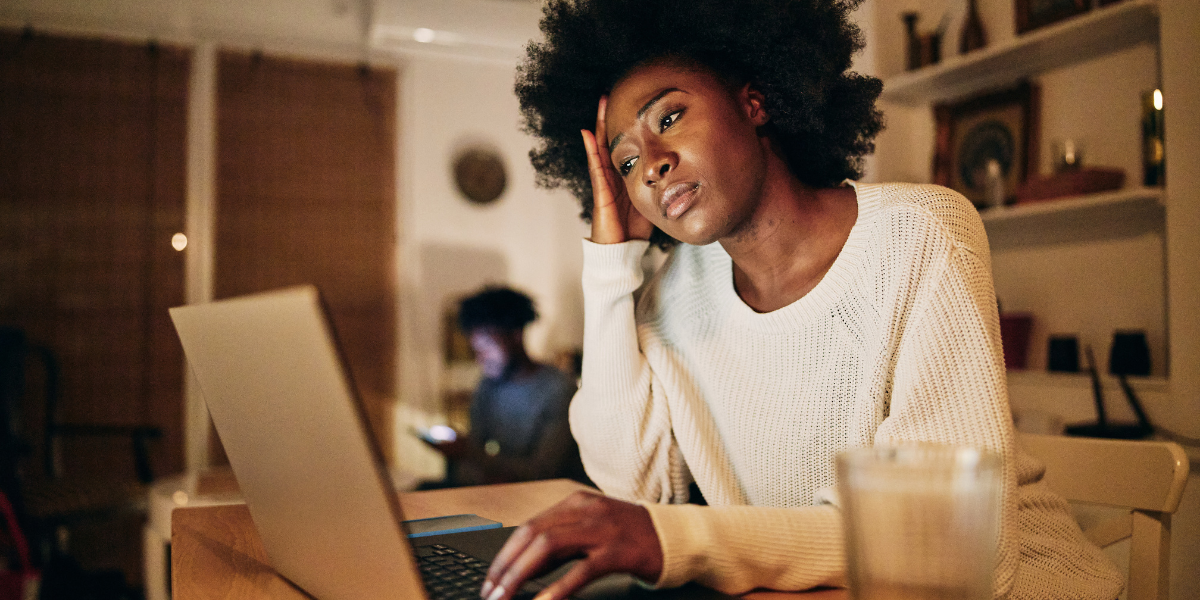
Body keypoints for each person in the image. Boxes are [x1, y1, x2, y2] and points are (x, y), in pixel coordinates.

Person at [477, 1, 1124, 600]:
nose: (650, 165)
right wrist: (610, 268)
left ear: (754, 103)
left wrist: (684, 542)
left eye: (669, 119)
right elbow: (633, 491)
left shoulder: (921, 236)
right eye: (623, 164)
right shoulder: (668, 298)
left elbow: (950, 540)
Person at [421, 286, 587, 487]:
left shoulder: (558, 389)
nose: (480, 358)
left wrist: (467, 453)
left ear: (516, 335)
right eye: (476, 350)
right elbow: (476, 449)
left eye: (487, 347)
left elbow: (543, 472)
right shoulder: (488, 386)